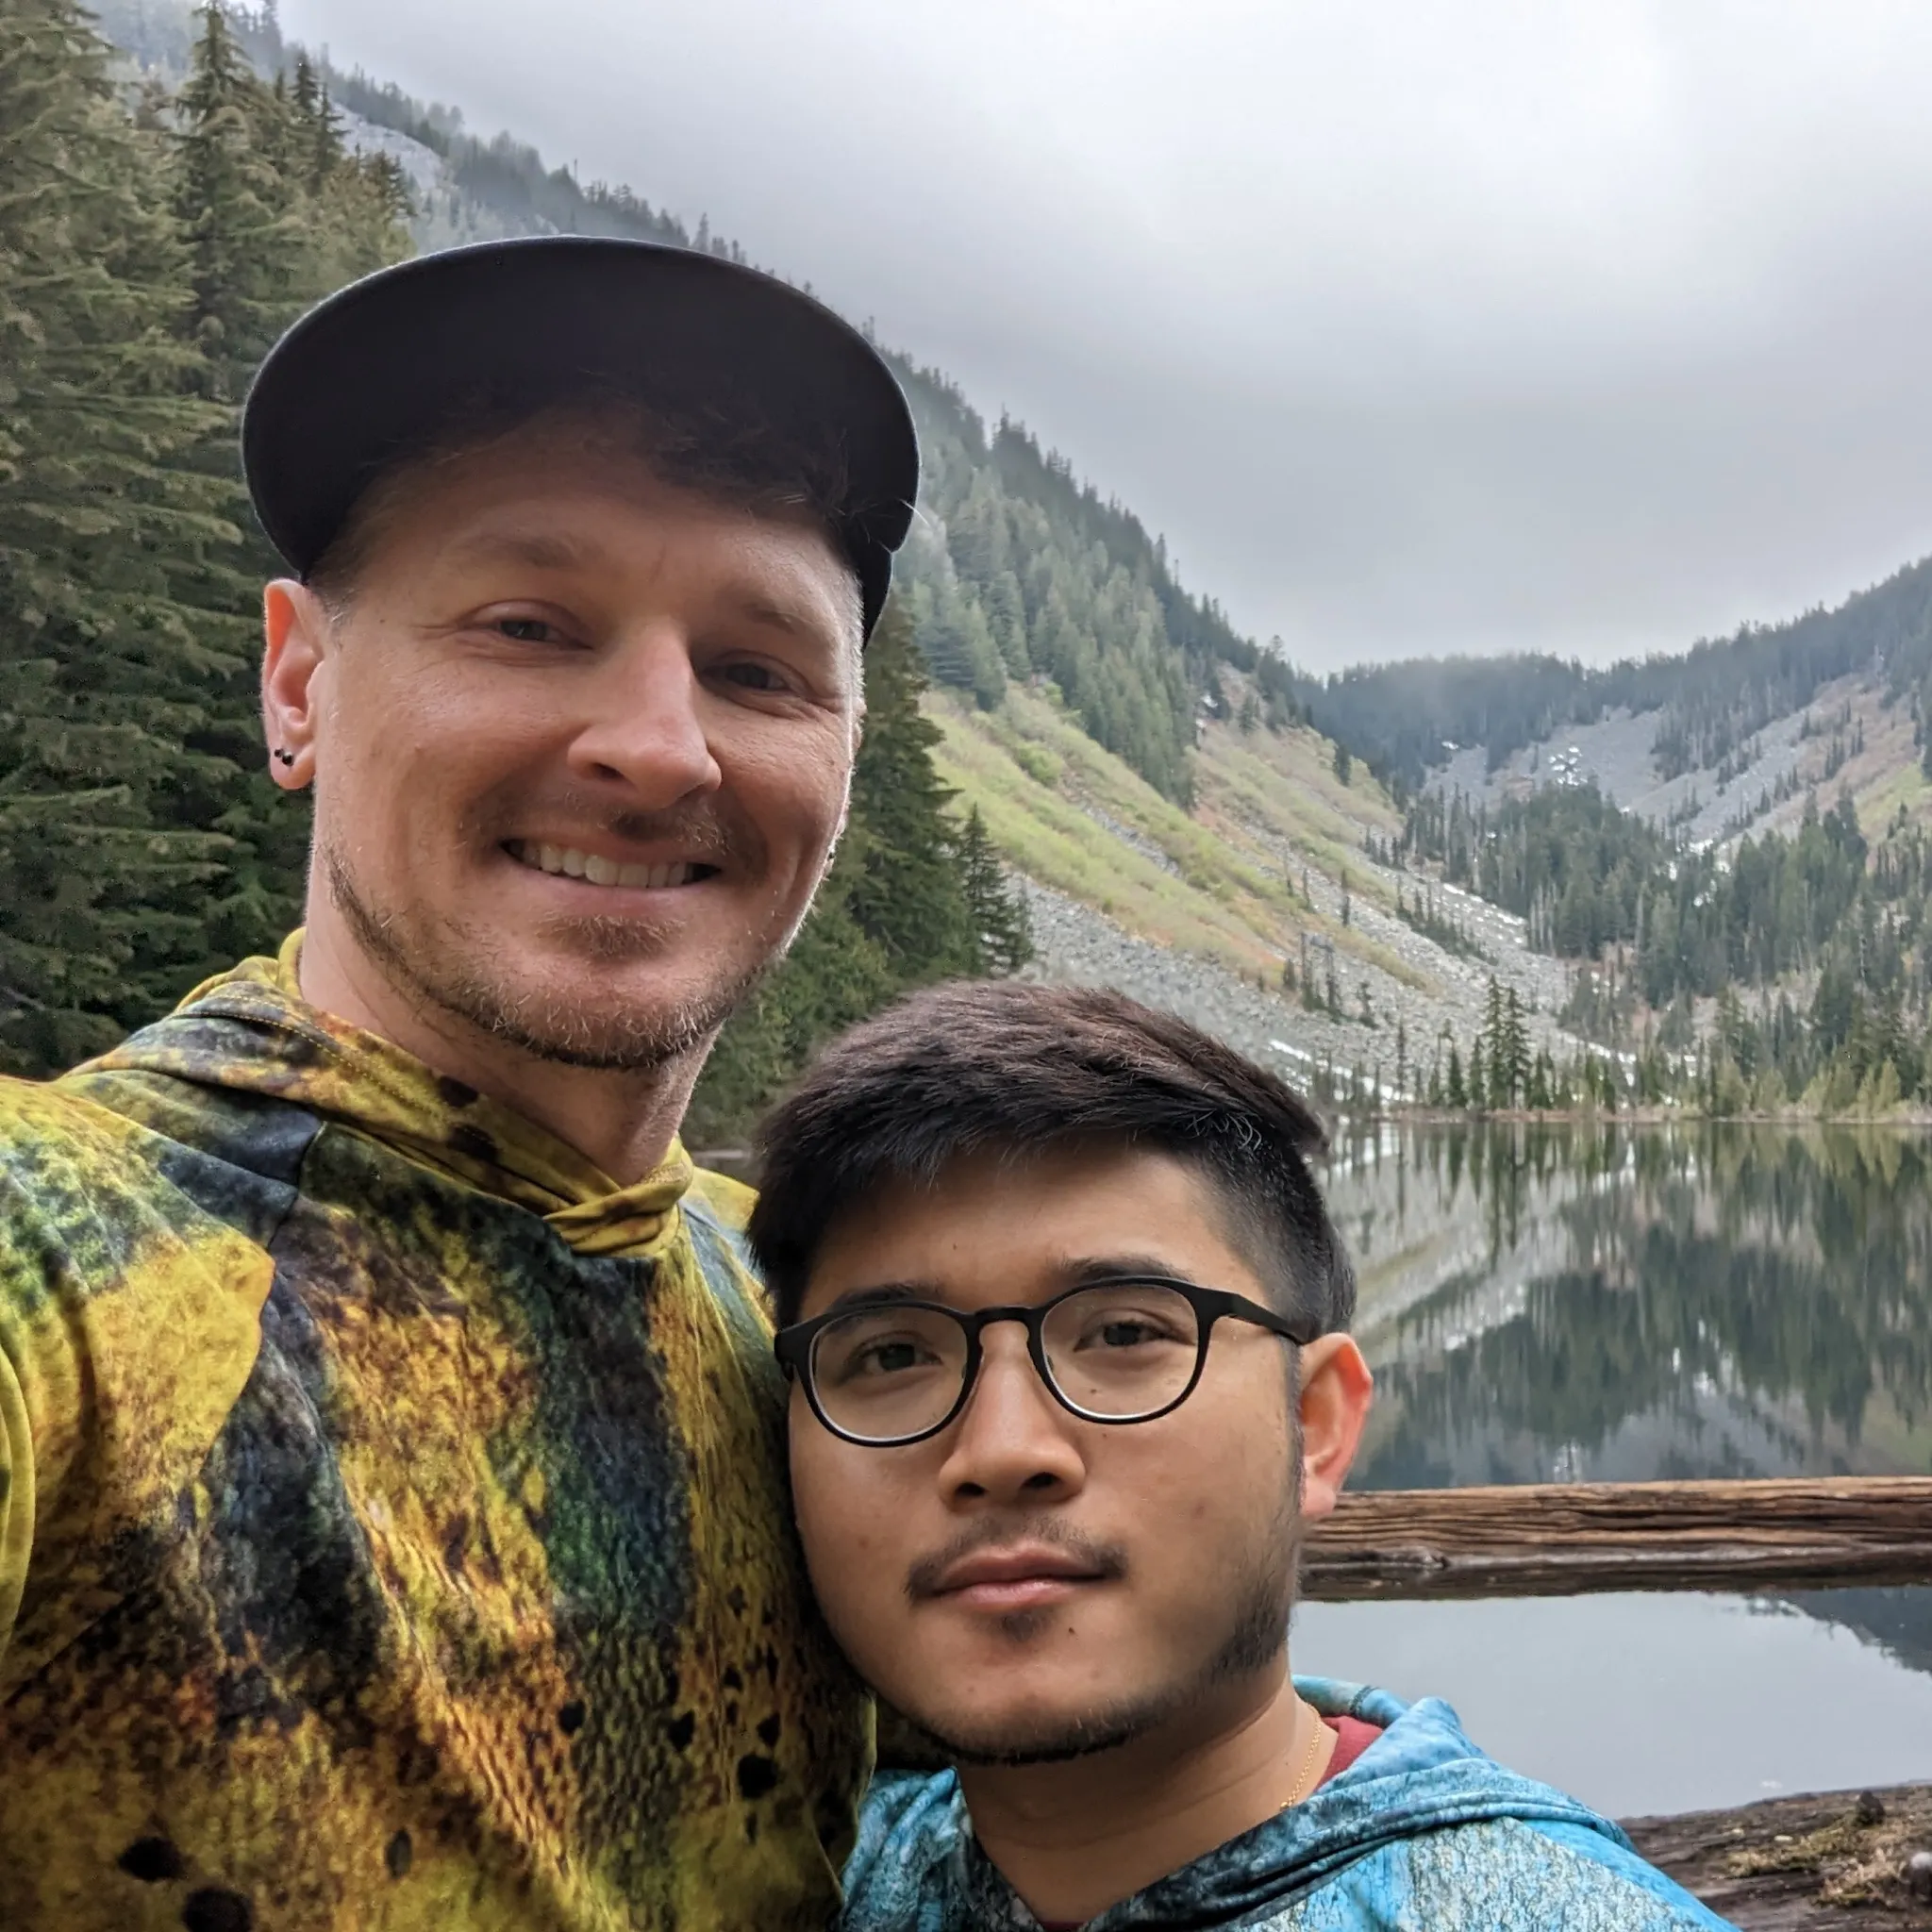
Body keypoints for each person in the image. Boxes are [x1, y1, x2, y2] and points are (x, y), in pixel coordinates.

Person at [0, 236, 918, 1930]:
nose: (658, 747)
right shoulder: (49, 1246)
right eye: (528, 625)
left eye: (757, 669)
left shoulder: (817, 1318)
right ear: (298, 685)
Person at [748, 981, 1735, 1931]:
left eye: (1125, 1333)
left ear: (1314, 1424)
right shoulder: (784, 1869)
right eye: (891, 1355)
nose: (1002, 1449)